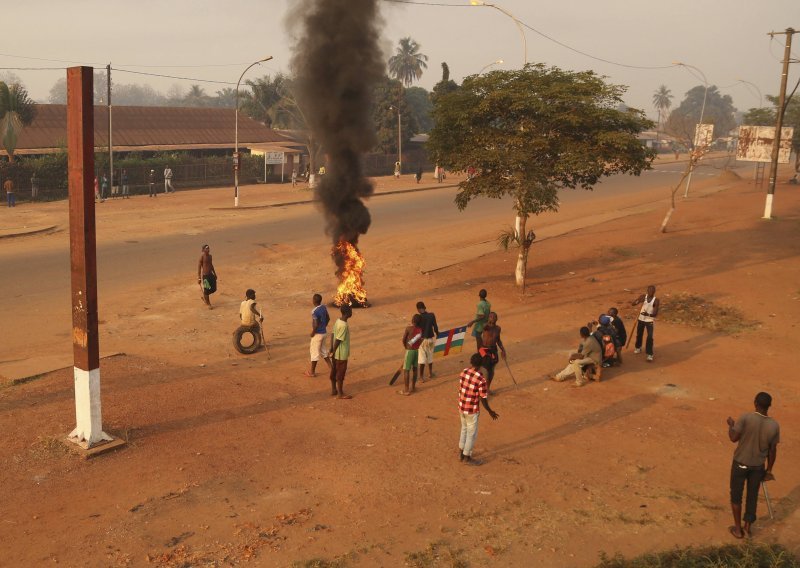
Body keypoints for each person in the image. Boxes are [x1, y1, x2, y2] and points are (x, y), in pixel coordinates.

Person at [726, 392, 780, 539]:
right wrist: (769, 470)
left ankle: (737, 530)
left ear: (755, 403)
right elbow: (772, 451)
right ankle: (747, 527)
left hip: (740, 464)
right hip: (758, 467)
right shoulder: (774, 425)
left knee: (736, 496)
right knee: (752, 496)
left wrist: (731, 425)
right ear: (769, 406)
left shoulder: (745, 417)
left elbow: (733, 438)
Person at [457, 352, 499, 466]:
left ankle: (461, 453)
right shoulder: (481, 379)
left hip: (462, 406)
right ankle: (467, 457)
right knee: (471, 433)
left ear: (471, 361)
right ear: (480, 365)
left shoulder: (464, 372)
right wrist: (490, 411)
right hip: (472, 409)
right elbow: (483, 398)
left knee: (464, 429)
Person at [329, 304, 353, 399]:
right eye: (351, 311)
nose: (352, 312)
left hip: (335, 353)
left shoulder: (338, 321)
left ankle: (334, 389)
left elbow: (333, 334)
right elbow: (339, 340)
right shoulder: (344, 325)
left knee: (334, 371)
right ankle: (340, 393)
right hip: (341, 354)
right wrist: (334, 350)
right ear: (348, 313)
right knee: (340, 373)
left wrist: (331, 348)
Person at [306, 293, 332, 377]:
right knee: (324, 352)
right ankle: (332, 369)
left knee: (314, 353)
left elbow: (316, 324)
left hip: (318, 334)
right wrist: (324, 325)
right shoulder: (324, 307)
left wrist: (313, 332)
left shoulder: (314, 311)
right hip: (324, 333)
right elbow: (328, 318)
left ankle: (312, 372)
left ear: (314, 301)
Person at [479, 312, 507, 391]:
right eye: (491, 316)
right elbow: (484, 326)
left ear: (497, 319)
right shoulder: (486, 327)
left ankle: (487, 388)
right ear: (488, 318)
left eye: (494, 317)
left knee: (491, 371)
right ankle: (482, 389)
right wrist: (488, 322)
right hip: (484, 349)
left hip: (493, 349)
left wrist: (503, 349)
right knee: (484, 370)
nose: (492, 318)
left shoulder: (498, 328)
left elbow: (498, 340)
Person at [631, 285, 659, 362]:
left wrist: (648, 315)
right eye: (649, 291)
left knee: (650, 337)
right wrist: (638, 301)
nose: (651, 292)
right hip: (640, 319)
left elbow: (655, 313)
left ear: (654, 291)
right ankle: (638, 347)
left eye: (652, 291)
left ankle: (649, 354)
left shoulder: (656, 300)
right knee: (639, 334)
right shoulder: (643, 297)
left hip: (649, 320)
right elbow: (633, 304)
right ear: (647, 291)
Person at [399, 314, 423, 395]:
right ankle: (413, 387)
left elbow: (403, 339)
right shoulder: (420, 330)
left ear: (412, 320)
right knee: (415, 369)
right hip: (417, 351)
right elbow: (420, 341)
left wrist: (406, 347)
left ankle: (406, 390)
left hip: (409, 351)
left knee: (406, 370)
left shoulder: (408, 328)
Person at [416, 301, 439, 382]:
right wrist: (438, 334)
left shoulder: (418, 317)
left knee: (422, 359)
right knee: (430, 356)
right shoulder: (431, 315)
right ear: (425, 307)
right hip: (430, 339)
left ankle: (421, 377)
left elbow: (416, 330)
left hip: (422, 340)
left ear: (418, 309)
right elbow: (435, 327)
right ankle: (430, 373)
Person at [197, 244, 217, 309]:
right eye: (206, 248)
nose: (208, 249)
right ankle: (208, 303)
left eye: (208, 248)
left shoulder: (210, 256)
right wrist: (199, 278)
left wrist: (214, 273)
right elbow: (199, 267)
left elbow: (211, 265)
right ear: (203, 250)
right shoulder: (202, 257)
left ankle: (205, 296)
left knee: (214, 289)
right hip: (205, 276)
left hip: (210, 274)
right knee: (206, 290)